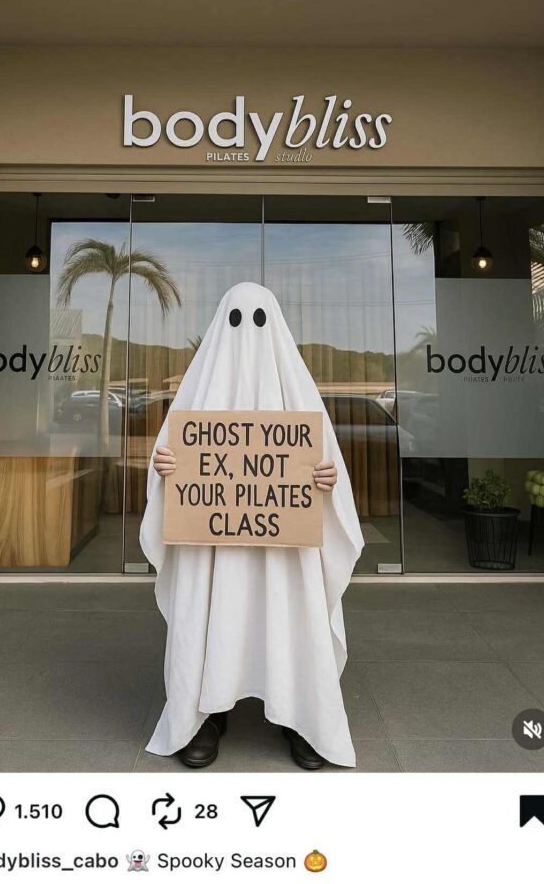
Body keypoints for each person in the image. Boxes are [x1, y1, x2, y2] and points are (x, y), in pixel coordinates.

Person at [140, 282, 364, 769]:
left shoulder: (297, 392)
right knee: (214, 613)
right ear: (222, 326)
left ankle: (298, 713)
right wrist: (165, 471)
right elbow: (171, 463)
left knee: (285, 612)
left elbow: (328, 469)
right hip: (211, 542)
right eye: (237, 320)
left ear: (276, 326)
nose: (248, 332)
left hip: (286, 545)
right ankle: (204, 713)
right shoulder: (195, 400)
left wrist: (325, 479)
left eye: (260, 320)